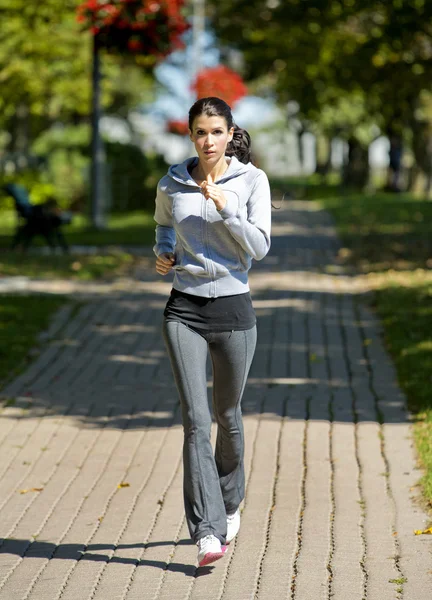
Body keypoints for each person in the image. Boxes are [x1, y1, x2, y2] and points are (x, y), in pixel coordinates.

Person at [153, 97, 271, 567]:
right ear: (191, 135)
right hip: (183, 309)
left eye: (216, 132)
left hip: (234, 310)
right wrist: (163, 254)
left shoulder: (251, 180)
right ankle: (206, 531)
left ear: (229, 133)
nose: (208, 141)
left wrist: (228, 211)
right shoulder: (172, 181)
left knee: (228, 416)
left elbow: (260, 248)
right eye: (200, 132)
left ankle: (229, 499)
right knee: (195, 421)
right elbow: (164, 224)